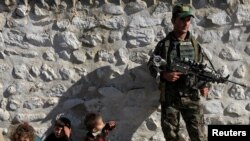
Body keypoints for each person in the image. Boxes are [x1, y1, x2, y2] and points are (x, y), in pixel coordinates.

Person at [148, 3, 209, 141]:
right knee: (171, 136)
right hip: (170, 98)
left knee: (199, 136)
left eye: (188, 19)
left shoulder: (195, 45)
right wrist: (164, 75)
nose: (185, 23)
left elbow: (200, 68)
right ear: (173, 21)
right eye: (182, 19)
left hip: (191, 96)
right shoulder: (164, 45)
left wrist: (203, 85)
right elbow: (152, 65)